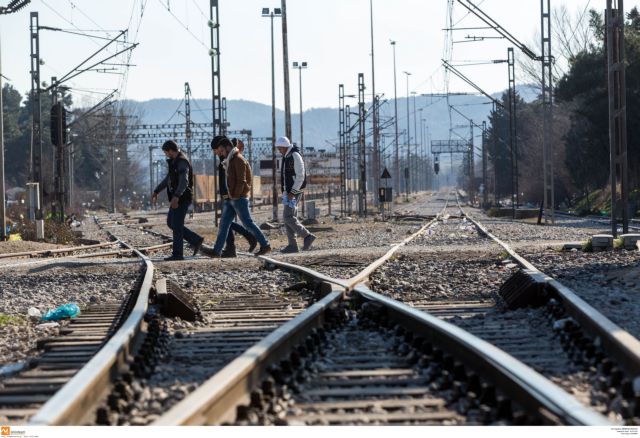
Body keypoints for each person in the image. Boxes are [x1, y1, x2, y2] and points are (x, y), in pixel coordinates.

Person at [210, 136, 271, 256]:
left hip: (238, 198)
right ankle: (216, 251)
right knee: (224, 224)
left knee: (248, 223)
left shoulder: (238, 159)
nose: (221, 153)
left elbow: (241, 181)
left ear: (228, 147)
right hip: (231, 198)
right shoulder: (230, 159)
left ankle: (265, 245)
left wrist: (235, 196)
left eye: (222, 150)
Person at [151, 140, 204, 261]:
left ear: (170, 150)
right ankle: (196, 240)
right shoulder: (175, 162)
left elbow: (184, 181)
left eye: (165, 152)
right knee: (171, 223)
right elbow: (168, 179)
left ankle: (178, 254)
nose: (165, 155)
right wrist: (156, 191)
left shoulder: (182, 162)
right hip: (177, 197)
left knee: (177, 225)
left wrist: (176, 196)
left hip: (182, 198)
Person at [275, 136, 316, 253]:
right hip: (289, 192)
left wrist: (292, 192)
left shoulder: (295, 156)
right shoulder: (287, 156)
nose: (279, 150)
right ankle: (292, 245)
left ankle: (307, 236)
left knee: (288, 216)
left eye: (280, 148)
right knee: (288, 217)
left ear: (284, 146)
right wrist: (285, 192)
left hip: (294, 191)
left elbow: (300, 176)